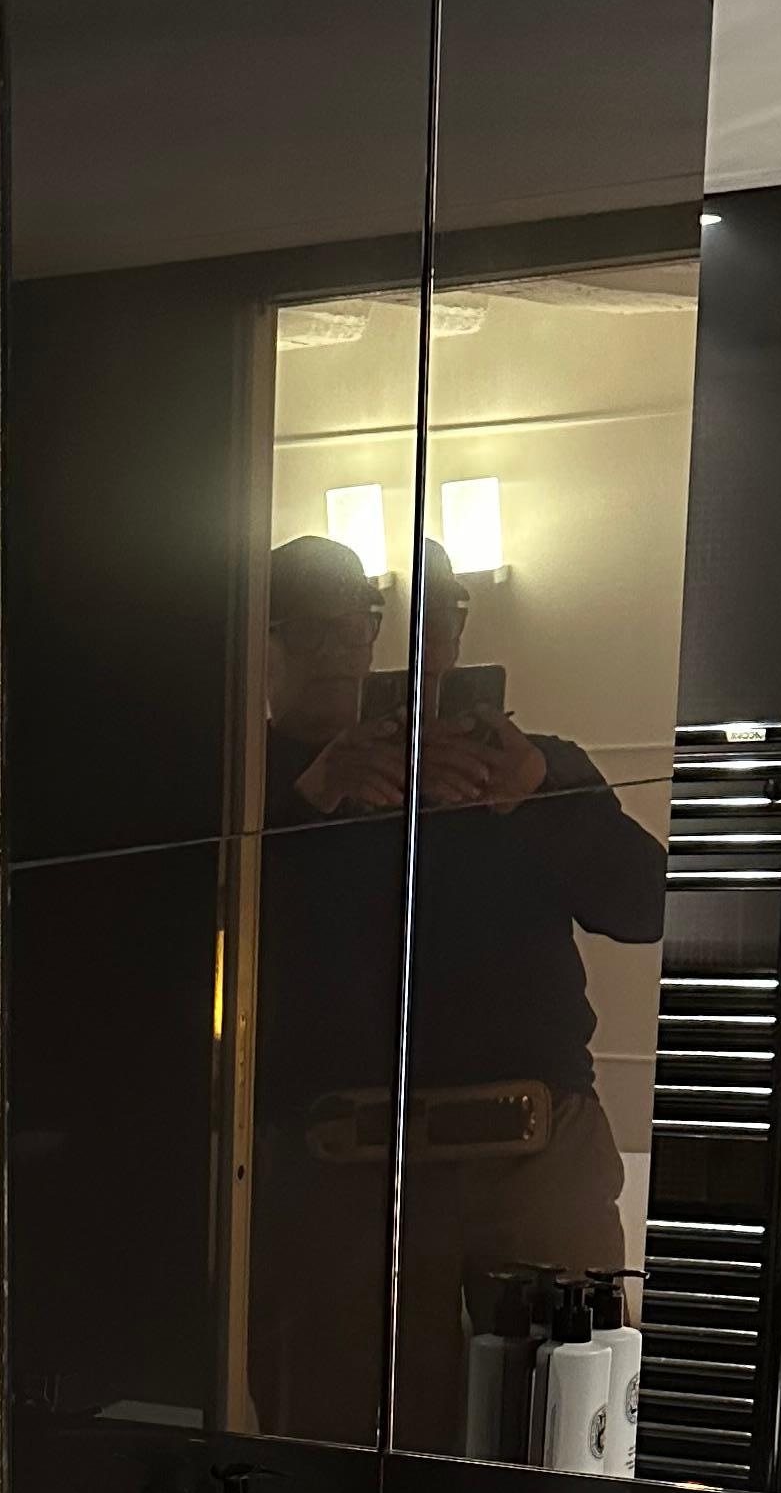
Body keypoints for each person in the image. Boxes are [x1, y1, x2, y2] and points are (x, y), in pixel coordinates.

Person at [247, 532, 665, 1446]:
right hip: (338, 1171)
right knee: (335, 1445)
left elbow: (645, 907)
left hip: (536, 1152)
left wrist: (536, 795)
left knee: (567, 1434)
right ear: (259, 644)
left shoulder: (533, 765)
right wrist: (309, 803)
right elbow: (193, 945)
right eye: (307, 630)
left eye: (356, 623)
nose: (339, 649)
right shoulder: (249, 789)